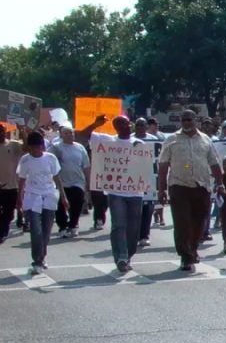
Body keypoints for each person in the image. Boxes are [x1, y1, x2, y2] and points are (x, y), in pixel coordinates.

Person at [78, 115, 151, 273]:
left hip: (135, 192)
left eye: (125, 123)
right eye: (119, 124)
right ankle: (121, 256)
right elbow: (81, 135)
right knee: (119, 225)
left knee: (133, 228)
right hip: (115, 192)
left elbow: (145, 168)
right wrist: (95, 124)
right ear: (115, 127)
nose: (124, 126)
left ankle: (128, 254)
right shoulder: (107, 141)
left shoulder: (139, 144)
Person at [157, 109, 224, 272]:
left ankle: (192, 249)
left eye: (189, 120)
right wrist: (161, 190)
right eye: (183, 120)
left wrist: (220, 183)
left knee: (199, 222)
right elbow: (163, 165)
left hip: (201, 186)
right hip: (178, 186)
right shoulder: (171, 140)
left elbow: (214, 163)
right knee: (182, 223)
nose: (186, 123)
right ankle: (185, 256)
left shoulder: (205, 140)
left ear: (196, 121)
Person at [15, 131, 67, 274]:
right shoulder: (25, 160)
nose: (36, 150)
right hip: (32, 197)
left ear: (42, 147)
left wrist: (63, 197)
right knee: (36, 231)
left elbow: (57, 178)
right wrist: (19, 198)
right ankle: (37, 261)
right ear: (29, 148)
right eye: (33, 148)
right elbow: (21, 180)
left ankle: (42, 257)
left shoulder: (50, 158)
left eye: (39, 147)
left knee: (46, 230)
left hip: (49, 196)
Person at [50, 125, 90, 238]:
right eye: (66, 133)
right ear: (61, 135)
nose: (70, 135)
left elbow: (86, 165)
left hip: (78, 181)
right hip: (61, 181)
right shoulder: (56, 147)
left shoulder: (80, 148)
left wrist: (88, 181)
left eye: (71, 132)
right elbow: (49, 161)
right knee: (60, 205)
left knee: (77, 203)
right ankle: (62, 226)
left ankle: (73, 225)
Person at [134, 117, 163, 247]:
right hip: (133, 180)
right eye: (138, 125)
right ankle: (134, 235)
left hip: (150, 180)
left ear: (146, 127)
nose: (140, 127)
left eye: (142, 125)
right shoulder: (130, 139)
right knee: (134, 211)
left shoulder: (154, 140)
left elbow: (159, 160)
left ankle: (144, 236)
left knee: (148, 209)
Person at [0, 132, 23, 244]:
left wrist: (24, 130)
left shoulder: (14, 145)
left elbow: (27, 147)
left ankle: (3, 231)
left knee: (8, 213)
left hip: (11, 186)